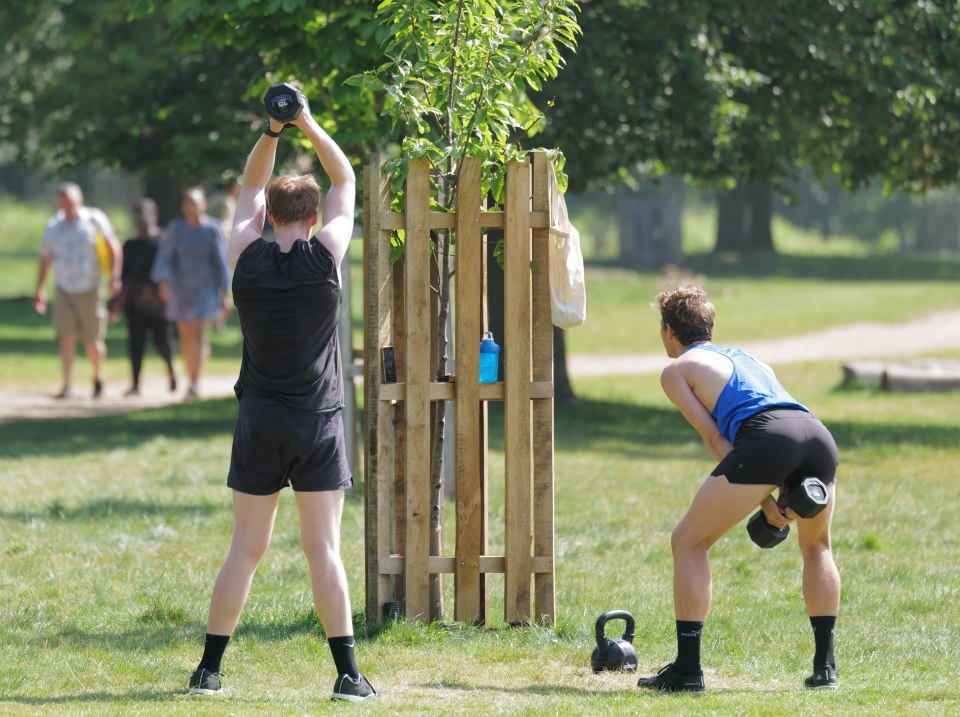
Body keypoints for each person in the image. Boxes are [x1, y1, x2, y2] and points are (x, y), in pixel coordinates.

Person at [187, 86, 378, 702]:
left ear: (269, 215)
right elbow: (344, 176)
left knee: (245, 548)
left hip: (260, 419)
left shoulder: (244, 255)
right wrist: (309, 123)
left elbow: (246, 190)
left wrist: (272, 130)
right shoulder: (327, 255)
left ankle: (209, 671)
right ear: (314, 217)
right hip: (318, 421)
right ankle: (348, 676)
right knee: (323, 547)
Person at [638, 285, 840, 692]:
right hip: (816, 435)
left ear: (668, 331)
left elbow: (716, 440)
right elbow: (783, 421)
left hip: (769, 439)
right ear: (708, 327)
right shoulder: (750, 358)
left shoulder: (676, 370)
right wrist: (779, 493)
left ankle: (687, 671)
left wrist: (767, 502)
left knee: (688, 542)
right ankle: (825, 670)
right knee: (818, 547)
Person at [34, 182, 122, 399]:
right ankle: (66, 385)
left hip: (90, 287)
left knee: (92, 341)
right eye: (63, 204)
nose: (68, 208)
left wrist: (115, 276)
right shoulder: (53, 225)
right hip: (64, 288)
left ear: (80, 200)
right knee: (66, 336)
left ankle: (98, 376)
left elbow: (113, 248)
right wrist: (40, 289)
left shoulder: (95, 219)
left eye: (71, 203)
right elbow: (45, 259)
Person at [150, 186, 230, 399]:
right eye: (188, 203)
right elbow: (165, 257)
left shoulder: (212, 229)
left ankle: (195, 381)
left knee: (200, 335)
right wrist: (164, 283)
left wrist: (225, 291)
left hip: (206, 288)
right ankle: (191, 377)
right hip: (181, 289)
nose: (192, 208)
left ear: (203, 204)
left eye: (195, 203)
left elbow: (220, 261)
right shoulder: (175, 229)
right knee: (186, 337)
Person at [110, 199, 177, 396]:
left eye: (146, 217)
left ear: (154, 217)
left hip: (160, 303)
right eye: (139, 218)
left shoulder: (164, 241)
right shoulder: (130, 245)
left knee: (162, 341)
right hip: (136, 303)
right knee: (135, 343)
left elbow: (172, 270)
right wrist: (117, 303)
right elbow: (124, 277)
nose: (142, 222)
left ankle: (171, 369)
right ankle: (135, 383)